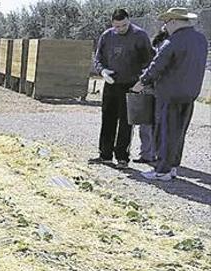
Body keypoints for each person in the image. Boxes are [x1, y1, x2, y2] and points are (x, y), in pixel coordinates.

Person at [132, 8, 208, 181]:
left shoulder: (172, 41)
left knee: (164, 132)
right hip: (190, 94)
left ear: (174, 21)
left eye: (166, 22)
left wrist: (142, 82)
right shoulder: (201, 40)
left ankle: (162, 170)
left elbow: (157, 66)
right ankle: (173, 167)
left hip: (169, 94)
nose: (165, 26)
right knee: (179, 132)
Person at [89, 9, 153, 168]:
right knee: (107, 119)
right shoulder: (107, 36)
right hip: (110, 84)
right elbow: (98, 59)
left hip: (130, 85)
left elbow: (149, 61)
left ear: (129, 20)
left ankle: (122, 158)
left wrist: (142, 81)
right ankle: (105, 155)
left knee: (126, 122)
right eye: (117, 26)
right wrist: (102, 71)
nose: (120, 29)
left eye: (124, 25)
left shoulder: (140, 36)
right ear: (112, 23)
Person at [134, 29, 170, 165]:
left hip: (154, 89)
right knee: (152, 123)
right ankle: (152, 154)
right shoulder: (161, 46)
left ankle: (149, 154)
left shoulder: (161, 46)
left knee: (148, 123)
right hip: (156, 89)